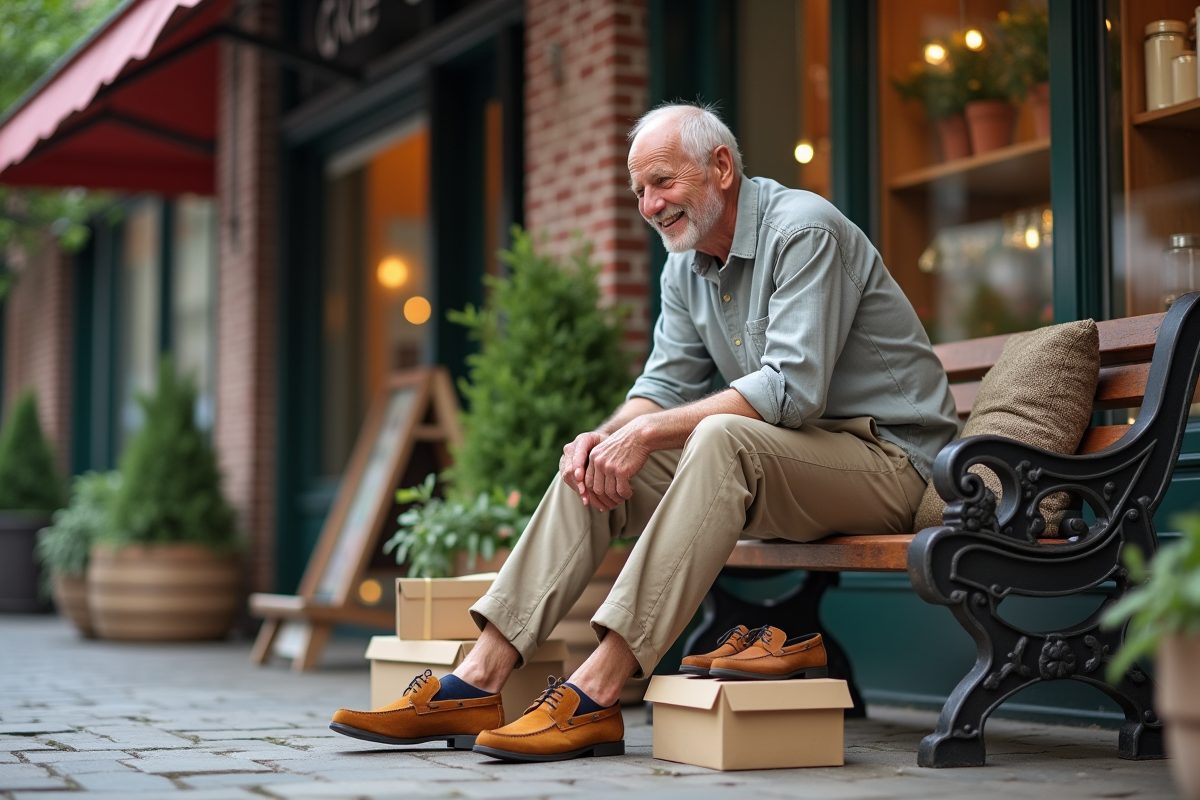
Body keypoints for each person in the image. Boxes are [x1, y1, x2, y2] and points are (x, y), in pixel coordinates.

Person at [330, 102, 958, 763]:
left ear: (720, 168)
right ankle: (476, 679)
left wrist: (652, 431)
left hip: (891, 461)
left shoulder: (803, 232)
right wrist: (606, 438)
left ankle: (596, 694)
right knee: (600, 457)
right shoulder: (686, 267)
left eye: (661, 183)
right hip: (791, 464)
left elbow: (792, 391)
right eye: (638, 191)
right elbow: (658, 386)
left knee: (720, 438)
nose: (649, 205)